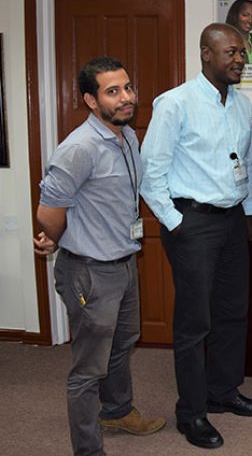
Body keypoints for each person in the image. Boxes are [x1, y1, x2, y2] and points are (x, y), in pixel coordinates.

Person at [140, 23, 252, 450]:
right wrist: (176, 223)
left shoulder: (240, 103)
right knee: (195, 323)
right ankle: (191, 413)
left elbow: (245, 164)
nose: (239, 59)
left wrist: (249, 213)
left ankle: (222, 392)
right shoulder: (175, 103)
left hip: (232, 220)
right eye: (231, 51)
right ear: (205, 53)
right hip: (192, 222)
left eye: (242, 52)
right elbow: (150, 173)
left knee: (233, 313)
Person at [35, 57, 165, 455]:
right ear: (91, 101)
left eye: (128, 87)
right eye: (113, 92)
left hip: (124, 262)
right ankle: (88, 450)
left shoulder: (128, 137)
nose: (126, 98)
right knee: (87, 369)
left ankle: (118, 410)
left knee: (124, 342)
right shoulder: (78, 148)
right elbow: (48, 212)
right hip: (89, 271)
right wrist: (51, 240)